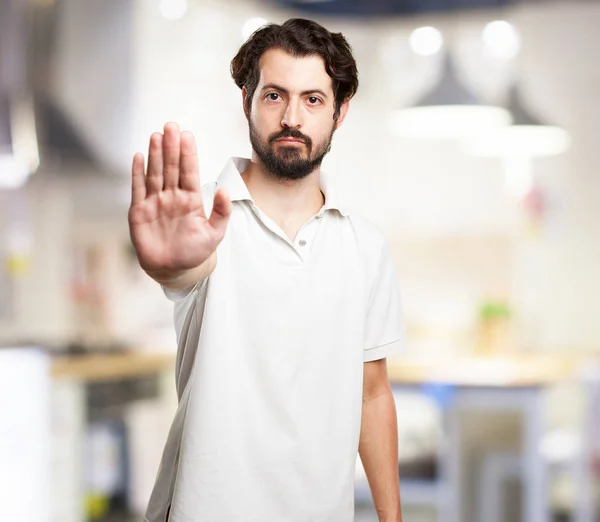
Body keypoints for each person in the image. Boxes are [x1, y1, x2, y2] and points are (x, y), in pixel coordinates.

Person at [129, 18, 404, 522]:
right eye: (275, 96)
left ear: (340, 112)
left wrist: (393, 519)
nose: (292, 117)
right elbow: (188, 269)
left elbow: (373, 394)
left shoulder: (364, 245)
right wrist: (169, 265)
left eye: (314, 99)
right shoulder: (204, 225)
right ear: (247, 102)